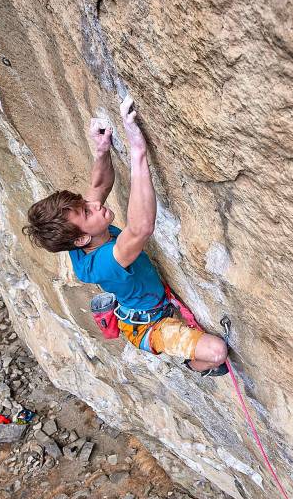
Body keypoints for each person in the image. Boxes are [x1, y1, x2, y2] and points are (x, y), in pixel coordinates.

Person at [22, 96, 229, 377]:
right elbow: (141, 227)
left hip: (140, 308)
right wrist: (137, 152)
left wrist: (101, 149)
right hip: (149, 326)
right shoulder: (104, 262)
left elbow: (99, 185)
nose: (94, 205)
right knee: (217, 352)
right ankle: (196, 366)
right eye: (86, 212)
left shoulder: (77, 236)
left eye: (84, 203)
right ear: (81, 240)